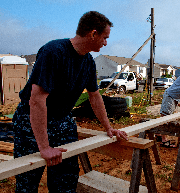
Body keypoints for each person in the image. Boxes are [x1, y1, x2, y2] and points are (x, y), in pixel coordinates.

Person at [12, 11, 128, 192]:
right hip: (32, 120)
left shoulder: (89, 62)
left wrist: (108, 128)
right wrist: (44, 147)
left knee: (66, 180)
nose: (106, 42)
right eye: (104, 38)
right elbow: (36, 100)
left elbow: (95, 96)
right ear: (93, 34)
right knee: (28, 180)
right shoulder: (54, 52)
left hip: (62, 120)